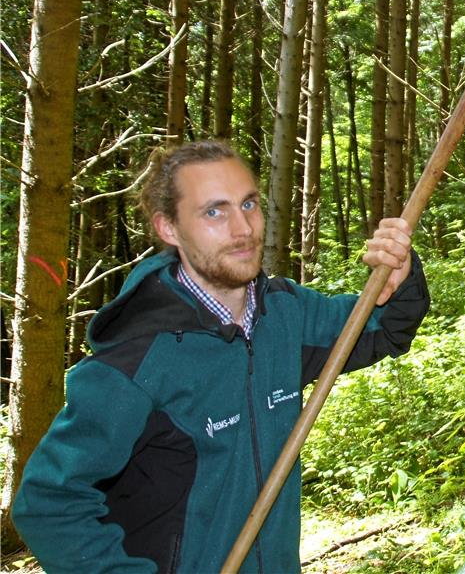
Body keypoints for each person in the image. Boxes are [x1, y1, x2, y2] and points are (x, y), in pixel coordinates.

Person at [12, 139, 430, 573]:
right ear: (169, 228)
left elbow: (382, 330)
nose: (242, 228)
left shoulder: (285, 314)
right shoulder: (138, 358)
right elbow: (48, 501)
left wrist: (398, 278)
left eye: (248, 204)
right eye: (214, 211)